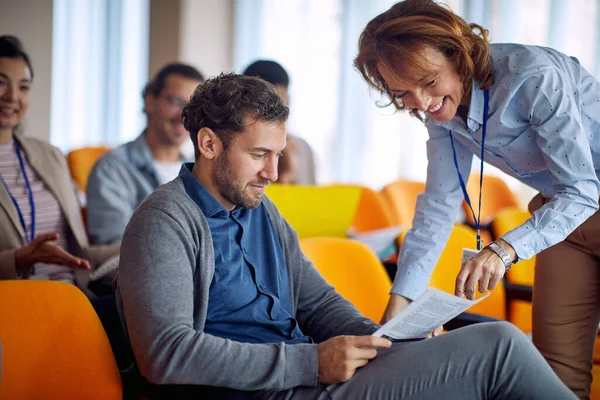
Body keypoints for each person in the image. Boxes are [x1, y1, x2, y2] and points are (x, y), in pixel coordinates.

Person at [114, 72, 576, 400]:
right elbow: (165, 355)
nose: (273, 173)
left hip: (309, 379)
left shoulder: (260, 209)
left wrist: (386, 339)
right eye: (258, 154)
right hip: (265, 391)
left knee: (490, 348)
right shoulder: (164, 221)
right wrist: (310, 363)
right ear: (209, 144)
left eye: (277, 154)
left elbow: (315, 303)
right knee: (499, 349)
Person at [354, 0, 600, 398]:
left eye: (429, 82)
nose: (422, 102)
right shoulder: (441, 116)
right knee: (557, 377)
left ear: (458, 54)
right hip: (565, 222)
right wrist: (400, 304)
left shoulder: (532, 76)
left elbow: (583, 189)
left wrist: (502, 251)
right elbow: (436, 208)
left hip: (579, 198)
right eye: (403, 94)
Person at [0, 35, 119, 296]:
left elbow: (78, 252)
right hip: (15, 303)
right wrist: (17, 259)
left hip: (75, 293)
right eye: (1, 83)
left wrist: (139, 242)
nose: (12, 97)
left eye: (23, 87)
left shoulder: (50, 155)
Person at [86, 63, 204, 245]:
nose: (184, 115)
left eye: (192, 106)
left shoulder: (200, 170)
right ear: (150, 101)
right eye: (175, 102)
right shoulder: (113, 168)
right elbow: (116, 243)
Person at [243, 60, 317, 185]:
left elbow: (309, 200)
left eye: (282, 101)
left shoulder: (301, 148)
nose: (277, 113)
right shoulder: (238, 145)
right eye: (268, 104)